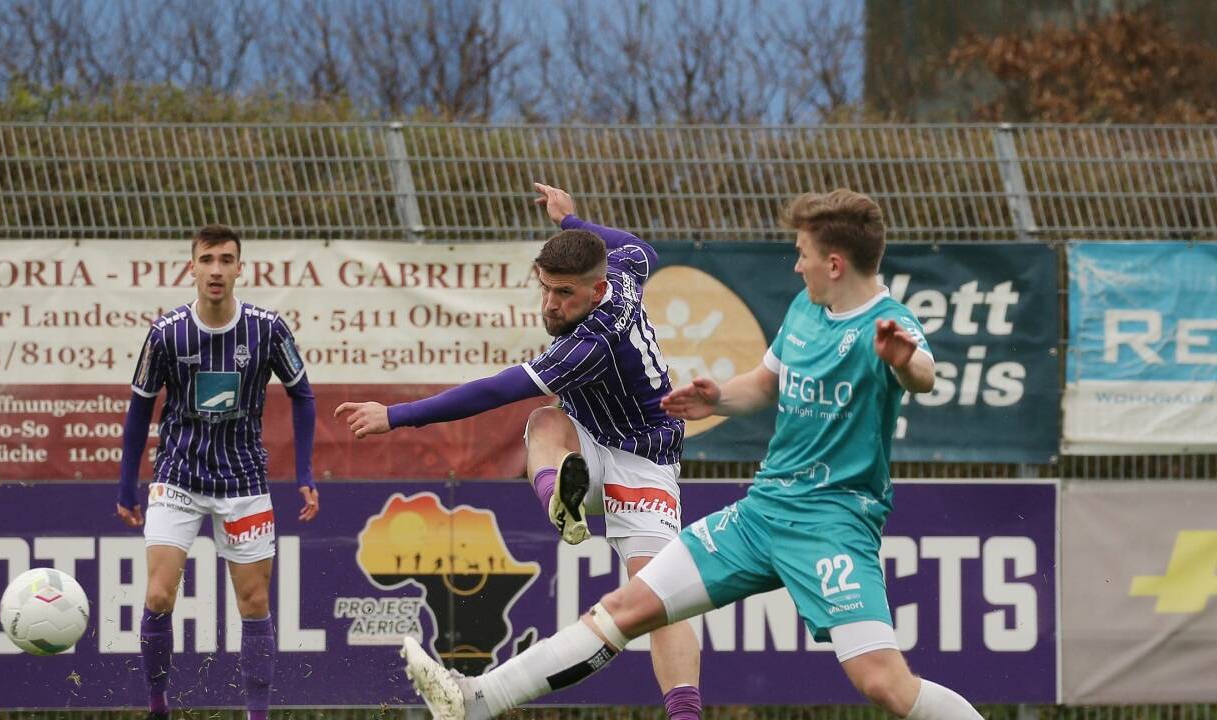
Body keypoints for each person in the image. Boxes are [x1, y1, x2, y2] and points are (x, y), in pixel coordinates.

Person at [403, 189, 986, 720]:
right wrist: (716, 399)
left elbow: (924, 377)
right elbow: (766, 384)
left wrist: (904, 359)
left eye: (803, 252)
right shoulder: (808, 309)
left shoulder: (891, 325)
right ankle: (477, 700)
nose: (796, 262)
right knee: (625, 609)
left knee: (883, 681)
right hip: (761, 514)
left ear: (835, 263)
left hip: (831, 524)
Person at [335, 183, 704, 719]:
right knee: (545, 421)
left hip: (645, 465)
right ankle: (563, 501)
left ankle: (684, 714)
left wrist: (396, 416)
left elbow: (492, 392)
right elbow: (640, 246)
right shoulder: (622, 271)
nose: (551, 304)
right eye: (546, 289)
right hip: (591, 440)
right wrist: (572, 221)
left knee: (658, 601)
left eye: (565, 294)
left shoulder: (589, 345)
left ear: (597, 292)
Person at [115, 224, 320, 720]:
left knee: (253, 603)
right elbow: (140, 408)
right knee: (160, 593)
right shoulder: (166, 333)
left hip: (244, 481)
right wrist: (127, 484)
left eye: (226, 260)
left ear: (239, 268)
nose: (216, 270)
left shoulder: (267, 328)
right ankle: (158, 706)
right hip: (178, 475)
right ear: (192, 267)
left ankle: (257, 714)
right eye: (207, 259)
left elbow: (303, 395)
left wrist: (305, 473)